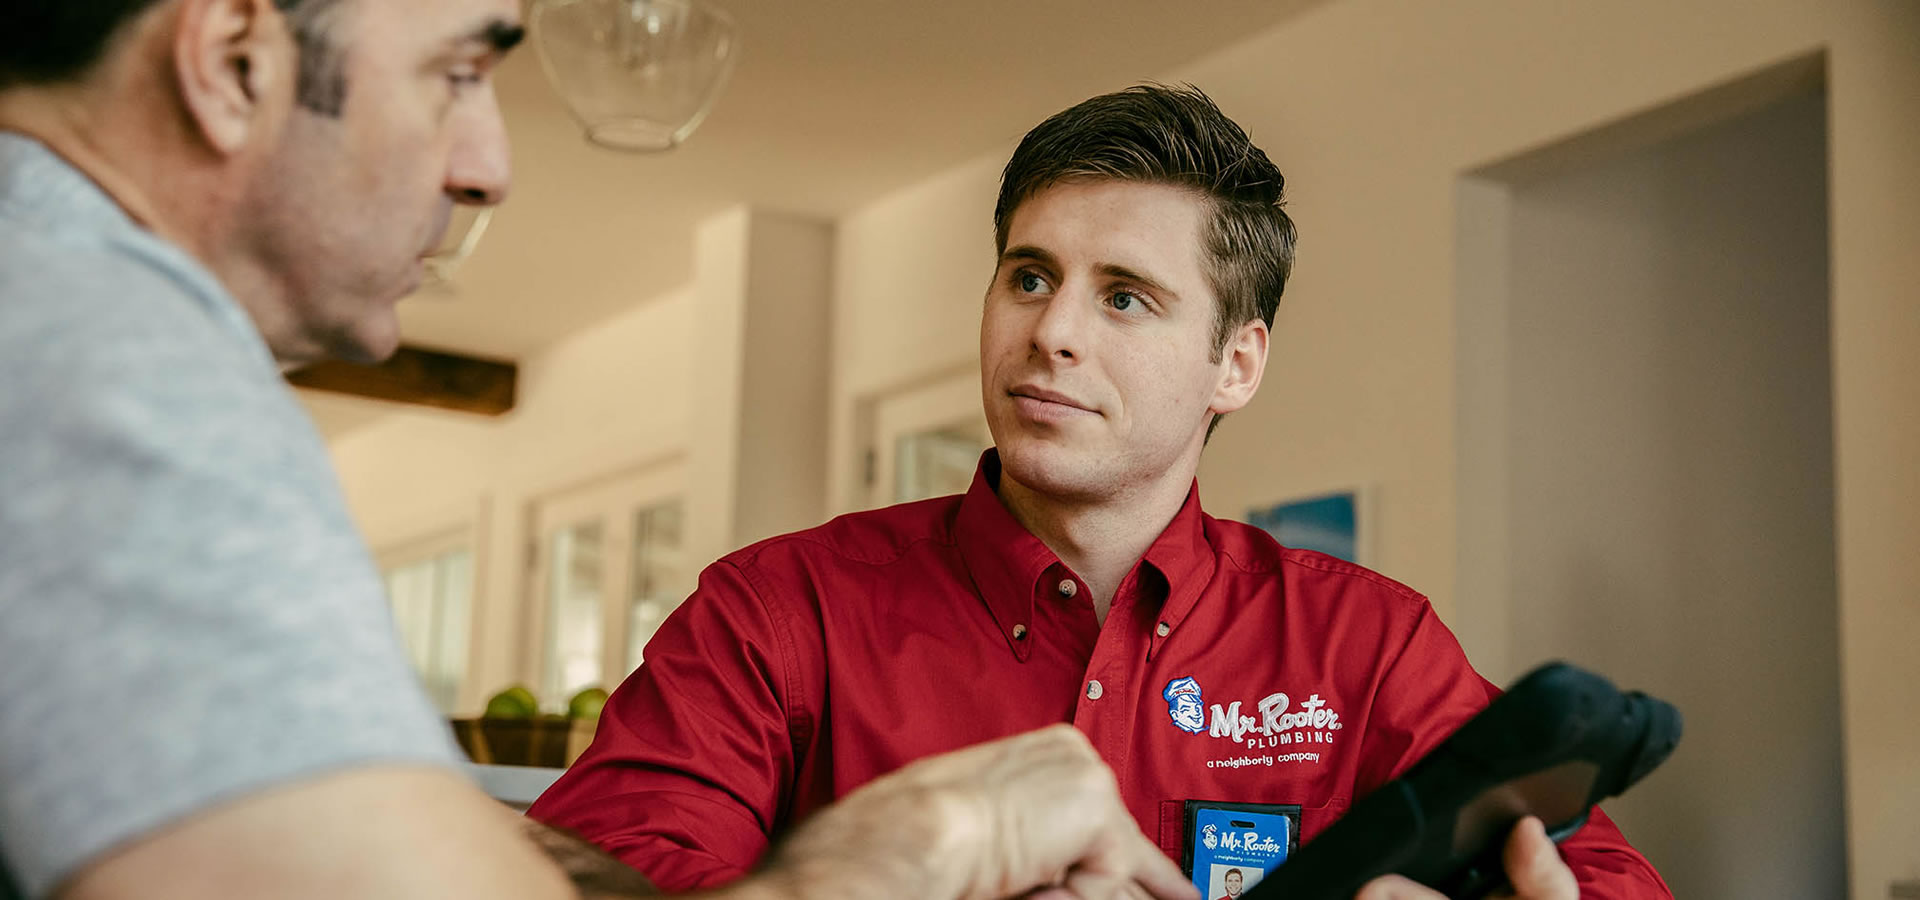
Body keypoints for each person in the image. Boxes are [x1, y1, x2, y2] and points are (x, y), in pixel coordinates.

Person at [0, 3, 1195, 900]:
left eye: (1129, 297)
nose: (488, 167)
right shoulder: (103, 365)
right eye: (457, 73)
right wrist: (914, 850)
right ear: (232, 62)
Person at [527, 85, 1675, 900]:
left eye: (1125, 296)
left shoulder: (1369, 647)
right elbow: (589, 874)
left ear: (1237, 364)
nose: (1052, 331)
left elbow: (1604, 875)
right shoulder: (778, 610)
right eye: (1030, 276)